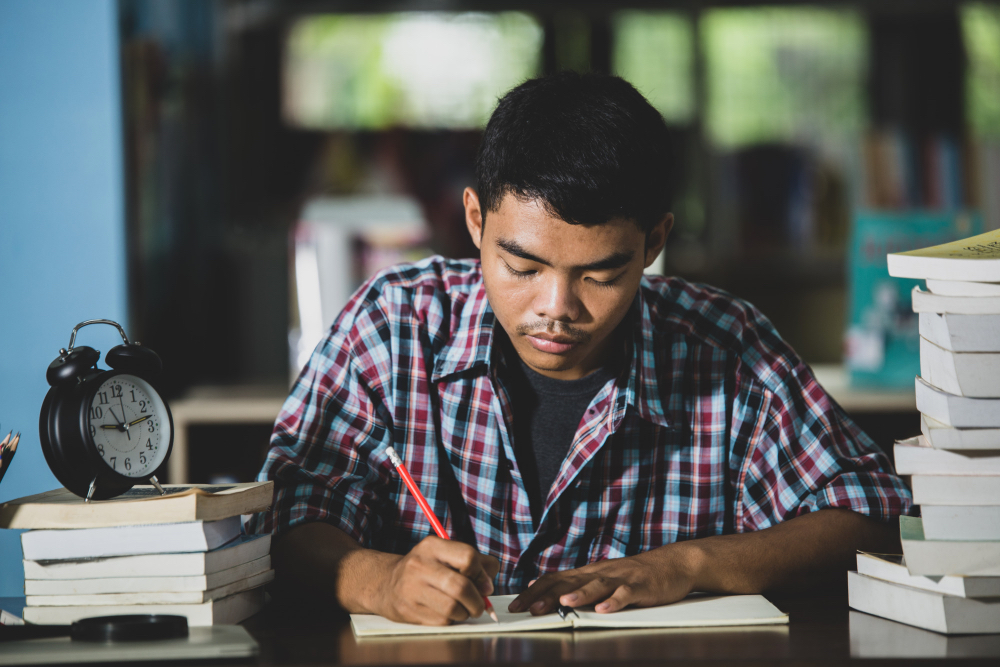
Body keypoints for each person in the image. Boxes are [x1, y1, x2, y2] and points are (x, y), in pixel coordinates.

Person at [249, 72, 912, 626]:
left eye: (600, 273)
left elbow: (871, 517)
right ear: (477, 221)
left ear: (653, 243)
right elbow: (283, 514)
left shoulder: (727, 351)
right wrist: (379, 579)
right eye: (523, 266)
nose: (556, 308)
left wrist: (690, 563)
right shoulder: (392, 328)